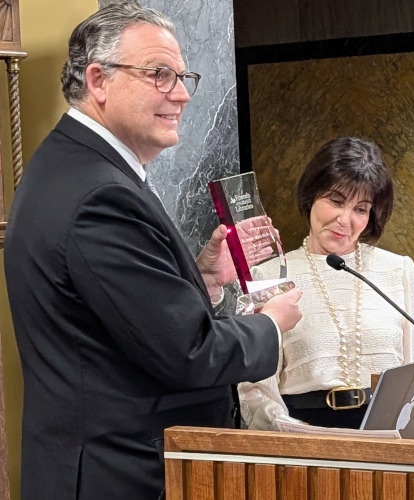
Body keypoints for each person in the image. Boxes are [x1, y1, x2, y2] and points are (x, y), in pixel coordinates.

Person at [4, 2, 302, 499]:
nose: (181, 94)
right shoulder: (100, 193)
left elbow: (120, 322)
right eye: (160, 75)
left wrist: (203, 280)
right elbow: (189, 353)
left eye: (183, 76)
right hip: (118, 476)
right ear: (98, 80)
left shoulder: (77, 167)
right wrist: (270, 323)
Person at [239, 136, 414, 430]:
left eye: (361, 208)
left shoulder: (399, 271)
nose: (345, 219)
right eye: (335, 200)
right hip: (301, 439)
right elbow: (255, 390)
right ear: (310, 196)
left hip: (386, 439)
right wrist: (294, 439)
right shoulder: (269, 276)